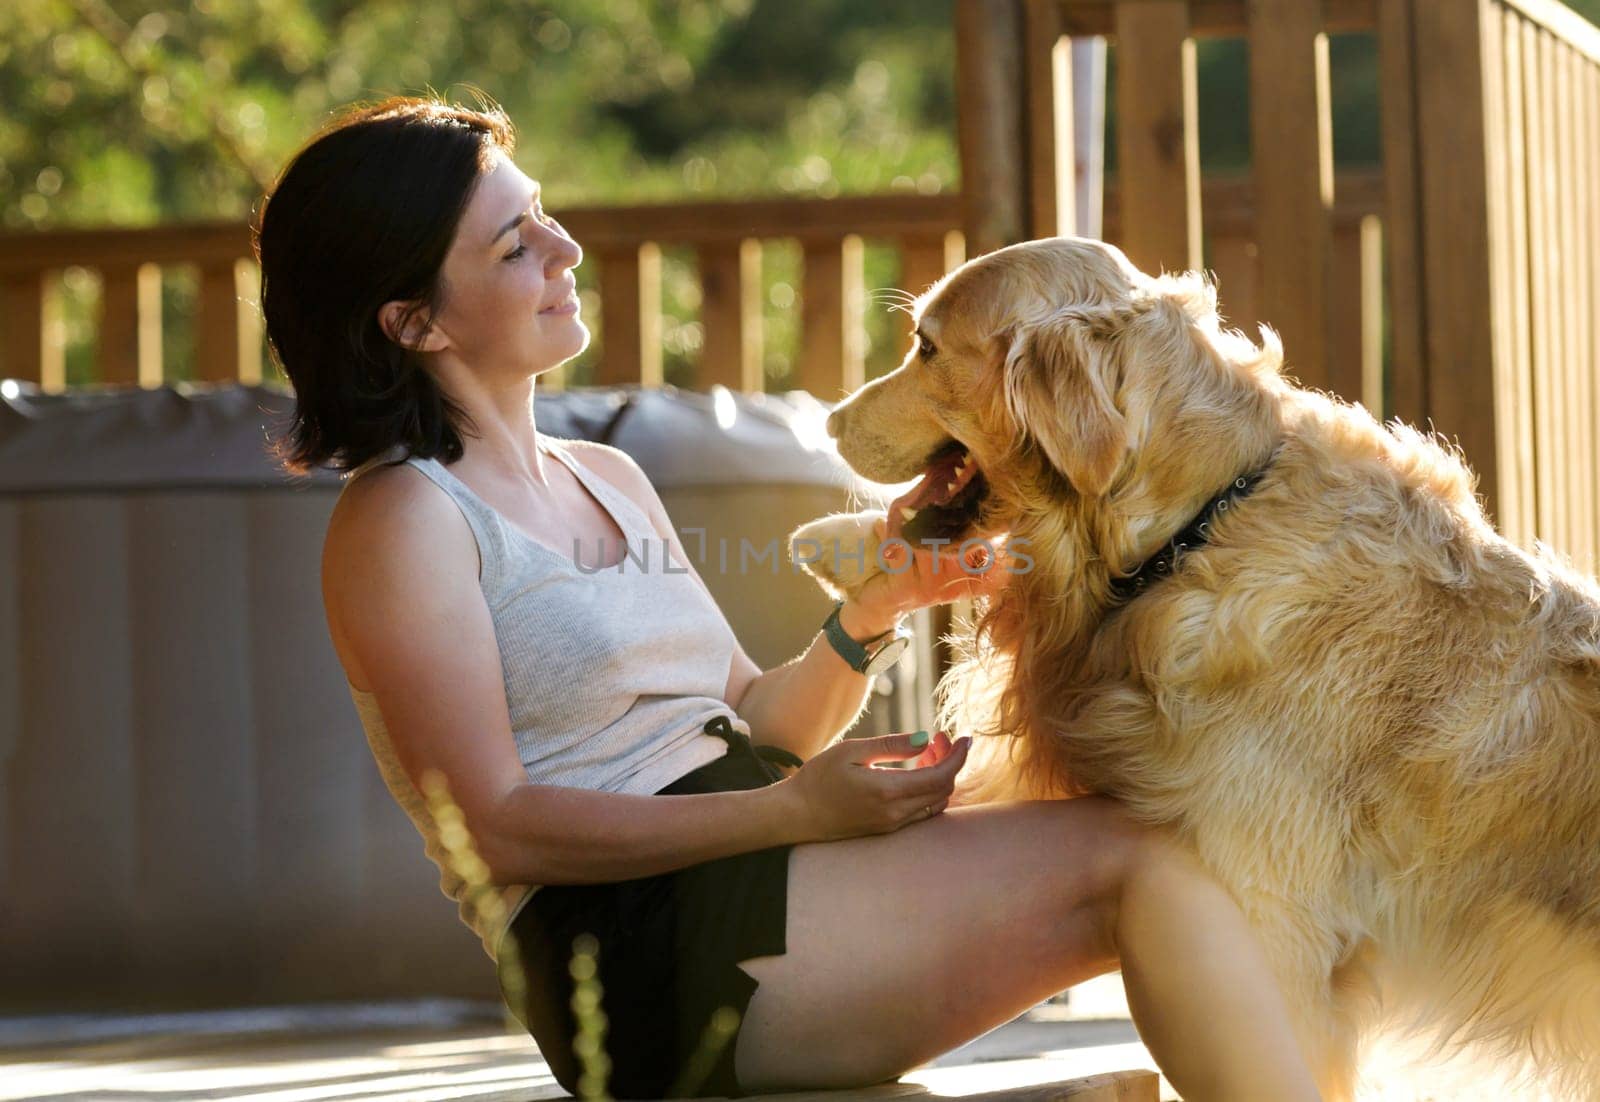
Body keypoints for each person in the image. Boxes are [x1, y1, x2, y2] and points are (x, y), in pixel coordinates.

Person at [255, 96, 1322, 1101]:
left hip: (755, 858)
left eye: (541, 216)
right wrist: (790, 811)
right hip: (636, 953)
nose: (565, 250)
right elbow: (497, 829)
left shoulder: (603, 476)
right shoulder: (403, 521)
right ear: (412, 324)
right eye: (512, 246)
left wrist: (867, 617)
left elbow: (757, 722)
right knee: (1139, 857)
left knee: (1177, 821)